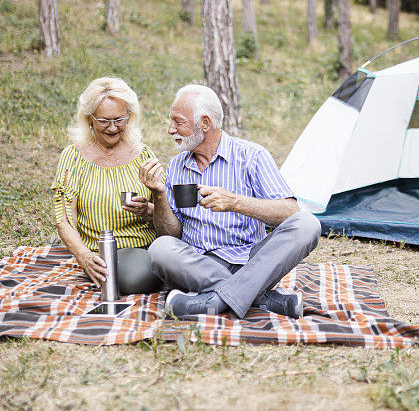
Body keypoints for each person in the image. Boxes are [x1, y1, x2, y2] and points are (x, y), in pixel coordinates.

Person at [139, 84, 321, 318]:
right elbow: (171, 234)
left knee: (307, 224)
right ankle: (259, 297)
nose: (169, 129)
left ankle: (212, 301)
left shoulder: (252, 156)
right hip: (197, 264)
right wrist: (159, 194)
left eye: (178, 122)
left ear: (204, 123)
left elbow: (289, 212)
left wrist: (235, 202)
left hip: (250, 261)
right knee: (160, 248)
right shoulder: (176, 166)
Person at [51, 77, 162, 295]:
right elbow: (64, 217)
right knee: (129, 278)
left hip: (145, 248)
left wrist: (148, 209)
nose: (112, 128)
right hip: (99, 252)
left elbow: (166, 212)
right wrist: (83, 256)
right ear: (89, 119)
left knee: (139, 274)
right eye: (103, 121)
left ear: (130, 117)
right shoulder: (73, 157)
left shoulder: (144, 154)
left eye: (119, 120)